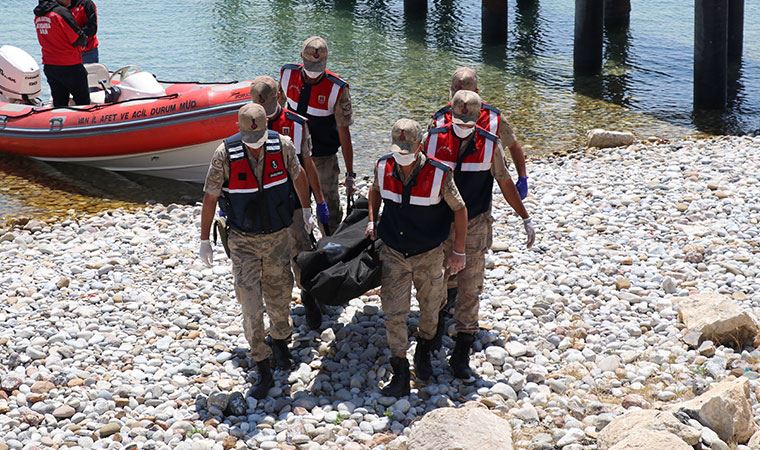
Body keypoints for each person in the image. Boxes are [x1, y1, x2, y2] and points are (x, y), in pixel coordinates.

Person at [198, 103, 314, 399]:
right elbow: (210, 196)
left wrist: (306, 209)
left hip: (277, 238)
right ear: (239, 129)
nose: (255, 146)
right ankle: (261, 362)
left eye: (259, 139)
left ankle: (280, 342)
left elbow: (299, 176)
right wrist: (204, 240)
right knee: (250, 304)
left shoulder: (283, 146)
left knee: (280, 296)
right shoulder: (224, 154)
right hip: (243, 242)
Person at [425, 90, 536, 380]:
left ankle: (461, 350)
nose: (462, 121)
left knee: (470, 287)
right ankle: (431, 334)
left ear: (479, 116)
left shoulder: (489, 145)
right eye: (458, 117)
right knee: (434, 283)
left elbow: (503, 181)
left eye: (468, 118)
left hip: (474, 224)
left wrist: (524, 216)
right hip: (438, 223)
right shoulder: (434, 139)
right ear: (449, 112)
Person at [367, 119, 468, 397]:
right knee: (393, 313)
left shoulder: (440, 173)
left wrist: (458, 251)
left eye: (407, 151)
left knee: (431, 308)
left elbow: (459, 209)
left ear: (420, 146)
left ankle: (423, 350)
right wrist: (372, 220)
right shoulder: (382, 166)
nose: (402, 157)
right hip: (394, 254)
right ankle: (399, 369)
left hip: (429, 255)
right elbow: (374, 191)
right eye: (398, 151)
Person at [249, 75, 330, 330]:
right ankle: (277, 311)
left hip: (294, 203)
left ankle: (309, 299)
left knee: (301, 254)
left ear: (280, 97)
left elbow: (308, 164)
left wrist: (318, 201)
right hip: (262, 205)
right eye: (258, 102)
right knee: (270, 260)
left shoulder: (296, 124)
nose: (262, 107)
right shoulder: (248, 123)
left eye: (267, 101)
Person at [279, 36, 355, 234]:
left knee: (330, 209)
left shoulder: (337, 88)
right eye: (310, 67)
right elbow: (278, 111)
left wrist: (350, 174)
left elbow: (344, 132)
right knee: (293, 207)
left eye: (318, 67)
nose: (313, 74)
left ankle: (332, 248)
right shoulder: (287, 73)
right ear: (301, 58)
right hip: (292, 156)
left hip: (323, 158)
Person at [431, 67, 529, 199]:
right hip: (453, 184)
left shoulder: (493, 118)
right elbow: (513, 144)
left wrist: (523, 178)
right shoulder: (439, 119)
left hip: (478, 181)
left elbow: (513, 145)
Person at [34, 0, 90, 107]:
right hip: (70, 65)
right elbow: (78, 38)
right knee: (83, 103)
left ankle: (59, 122)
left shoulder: (38, 16)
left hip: (50, 65)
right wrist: (84, 39)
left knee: (59, 103)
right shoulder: (61, 13)